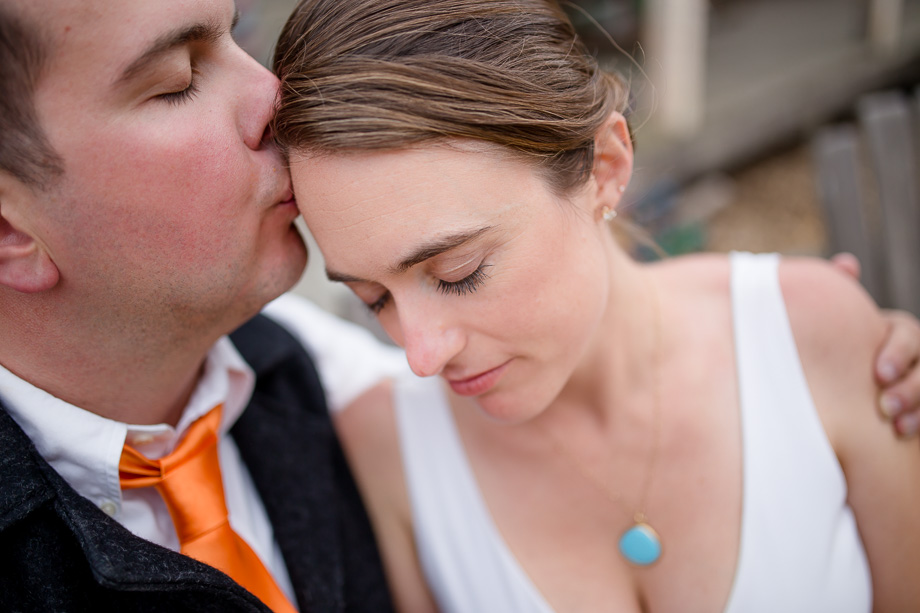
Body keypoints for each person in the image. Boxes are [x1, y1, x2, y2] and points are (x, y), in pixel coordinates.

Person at [0, 1, 917, 612]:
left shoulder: (821, 336)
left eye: (461, 269)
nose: (421, 353)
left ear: (606, 166)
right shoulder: (374, 433)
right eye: (175, 81)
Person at [0, 1, 409, 611]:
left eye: (236, 33)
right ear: (11, 233)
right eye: (179, 83)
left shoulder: (327, 374)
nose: (276, 94)